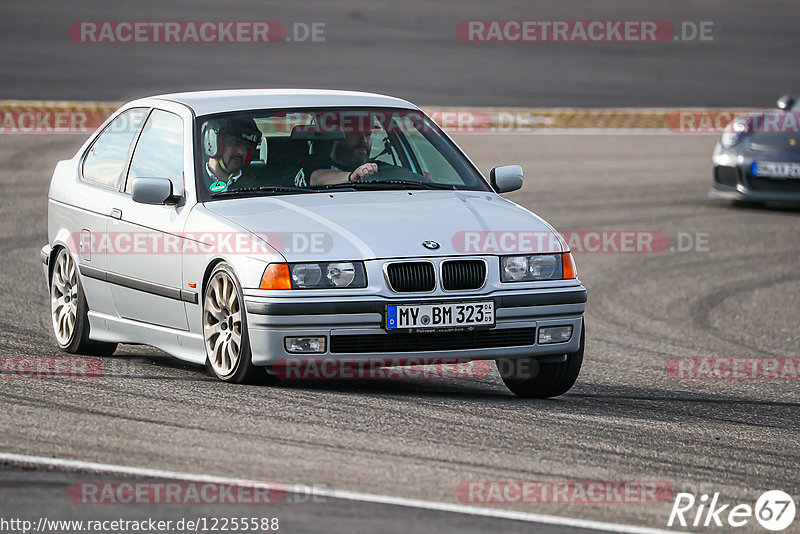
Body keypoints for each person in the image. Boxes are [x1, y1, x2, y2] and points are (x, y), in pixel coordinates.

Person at [294, 130, 379, 187]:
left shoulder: (378, 167)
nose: (364, 141)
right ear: (337, 137)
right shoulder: (312, 164)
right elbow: (317, 179)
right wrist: (351, 177)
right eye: (355, 134)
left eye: (368, 135)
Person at [202, 118, 262, 192]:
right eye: (235, 143)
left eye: (247, 147)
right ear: (213, 144)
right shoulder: (190, 182)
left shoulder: (258, 187)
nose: (241, 151)